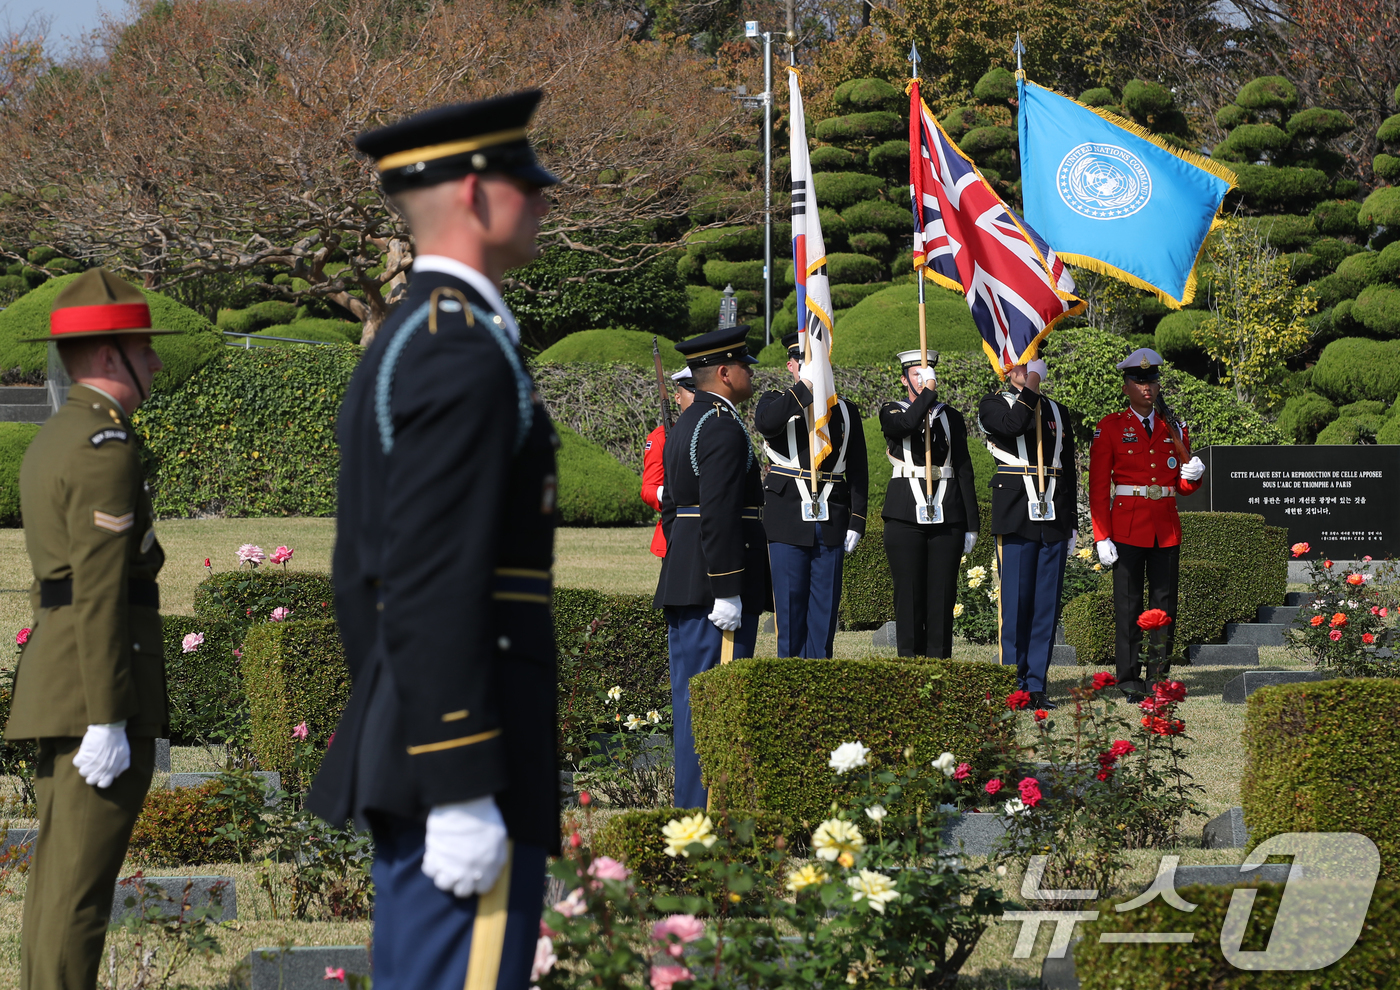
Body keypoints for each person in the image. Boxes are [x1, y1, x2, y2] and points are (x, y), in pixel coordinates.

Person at [306, 90, 559, 990]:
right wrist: (457, 776)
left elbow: (363, 578)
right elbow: (426, 576)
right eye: (527, 184)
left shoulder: (422, 335)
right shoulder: (459, 349)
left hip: (432, 746)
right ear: (476, 197)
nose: (543, 199)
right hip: (464, 760)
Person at [8, 267, 174, 990]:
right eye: (145, 348)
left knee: (55, 890)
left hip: (60, 680)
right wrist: (109, 716)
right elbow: (102, 586)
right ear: (111, 357)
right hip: (93, 694)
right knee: (78, 895)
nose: (157, 361)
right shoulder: (106, 445)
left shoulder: (56, 436)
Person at [653, 325, 771, 809]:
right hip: (711, 588)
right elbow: (719, 510)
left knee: (691, 699)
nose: (750, 374)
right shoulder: (720, 426)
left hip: (688, 579)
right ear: (724, 373)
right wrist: (726, 586)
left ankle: (692, 806)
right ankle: (708, 810)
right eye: (744, 366)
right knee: (711, 701)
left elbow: (671, 507)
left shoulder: (687, 424)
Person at [1089, 348, 1206, 700]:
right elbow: (1097, 486)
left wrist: (1195, 476)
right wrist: (1101, 535)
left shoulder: (1174, 426)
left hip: (1165, 526)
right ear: (1126, 386)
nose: (1146, 387)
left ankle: (1159, 677)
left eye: (1152, 380)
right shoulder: (1110, 427)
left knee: (1164, 604)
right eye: (1139, 381)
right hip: (1126, 526)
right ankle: (1127, 677)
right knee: (1128, 604)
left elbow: (1182, 486)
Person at [754, 332, 868, 658]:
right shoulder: (774, 400)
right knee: (789, 615)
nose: (812, 366)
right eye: (803, 360)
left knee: (824, 615)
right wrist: (803, 388)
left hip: (831, 517)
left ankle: (820, 682)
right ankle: (789, 686)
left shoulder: (845, 410)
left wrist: (857, 521)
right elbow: (767, 423)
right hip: (787, 518)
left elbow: (858, 470)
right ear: (791, 365)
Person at [978, 358, 1078, 710]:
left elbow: (1068, 466)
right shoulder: (992, 404)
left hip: (1052, 513)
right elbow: (1015, 424)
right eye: (1023, 361)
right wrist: (1033, 381)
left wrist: (1073, 523)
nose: (1029, 366)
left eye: (1034, 360)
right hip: (1016, 511)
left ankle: (1036, 684)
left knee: (1045, 607)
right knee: (1016, 603)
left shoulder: (1057, 410)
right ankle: (1012, 682)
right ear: (1007, 368)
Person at [879, 350, 978, 658]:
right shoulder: (891, 410)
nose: (922, 377)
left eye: (927, 371)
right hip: (905, 511)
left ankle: (939, 662)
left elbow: (963, 468)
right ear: (904, 378)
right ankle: (908, 661)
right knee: (908, 593)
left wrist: (972, 524)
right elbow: (907, 425)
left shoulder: (950, 416)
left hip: (947, 510)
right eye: (915, 372)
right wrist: (928, 393)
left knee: (942, 593)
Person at [641, 368, 696, 558]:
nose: (696, 397)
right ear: (678, 397)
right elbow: (648, 489)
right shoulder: (660, 438)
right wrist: (672, 493)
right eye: (691, 391)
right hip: (676, 529)